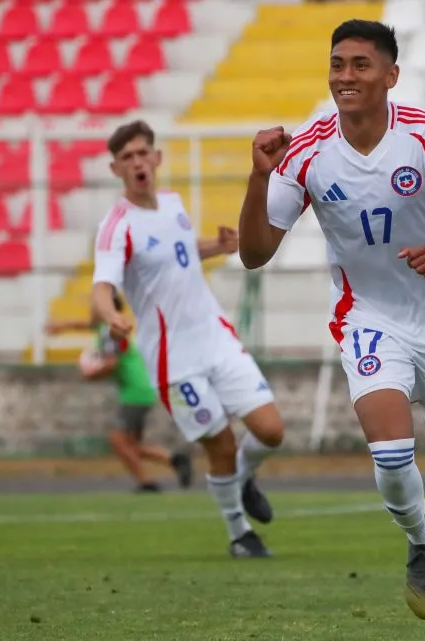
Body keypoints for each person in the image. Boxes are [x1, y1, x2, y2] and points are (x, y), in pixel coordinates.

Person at [237, 19, 425, 641]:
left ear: (390, 75)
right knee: (390, 455)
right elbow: (253, 253)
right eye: (337, 64)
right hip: (370, 320)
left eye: (360, 64)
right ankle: (419, 538)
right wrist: (256, 176)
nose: (345, 76)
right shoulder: (305, 152)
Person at [92, 119, 286, 558]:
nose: (138, 162)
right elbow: (102, 286)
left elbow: (175, 250)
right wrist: (111, 318)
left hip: (215, 337)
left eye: (143, 153)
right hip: (173, 360)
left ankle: (243, 475)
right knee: (220, 443)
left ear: (156, 159)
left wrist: (215, 247)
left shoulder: (171, 204)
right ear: (116, 169)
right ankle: (240, 534)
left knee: (271, 431)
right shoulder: (116, 226)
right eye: (128, 157)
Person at [45, 290, 194, 494]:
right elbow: (86, 325)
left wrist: (91, 376)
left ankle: (146, 482)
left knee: (118, 442)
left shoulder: (110, 332)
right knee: (131, 444)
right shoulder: (107, 327)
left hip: (134, 392)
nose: (92, 308)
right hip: (140, 390)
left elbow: (112, 364)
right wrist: (61, 326)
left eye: (95, 305)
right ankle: (175, 459)